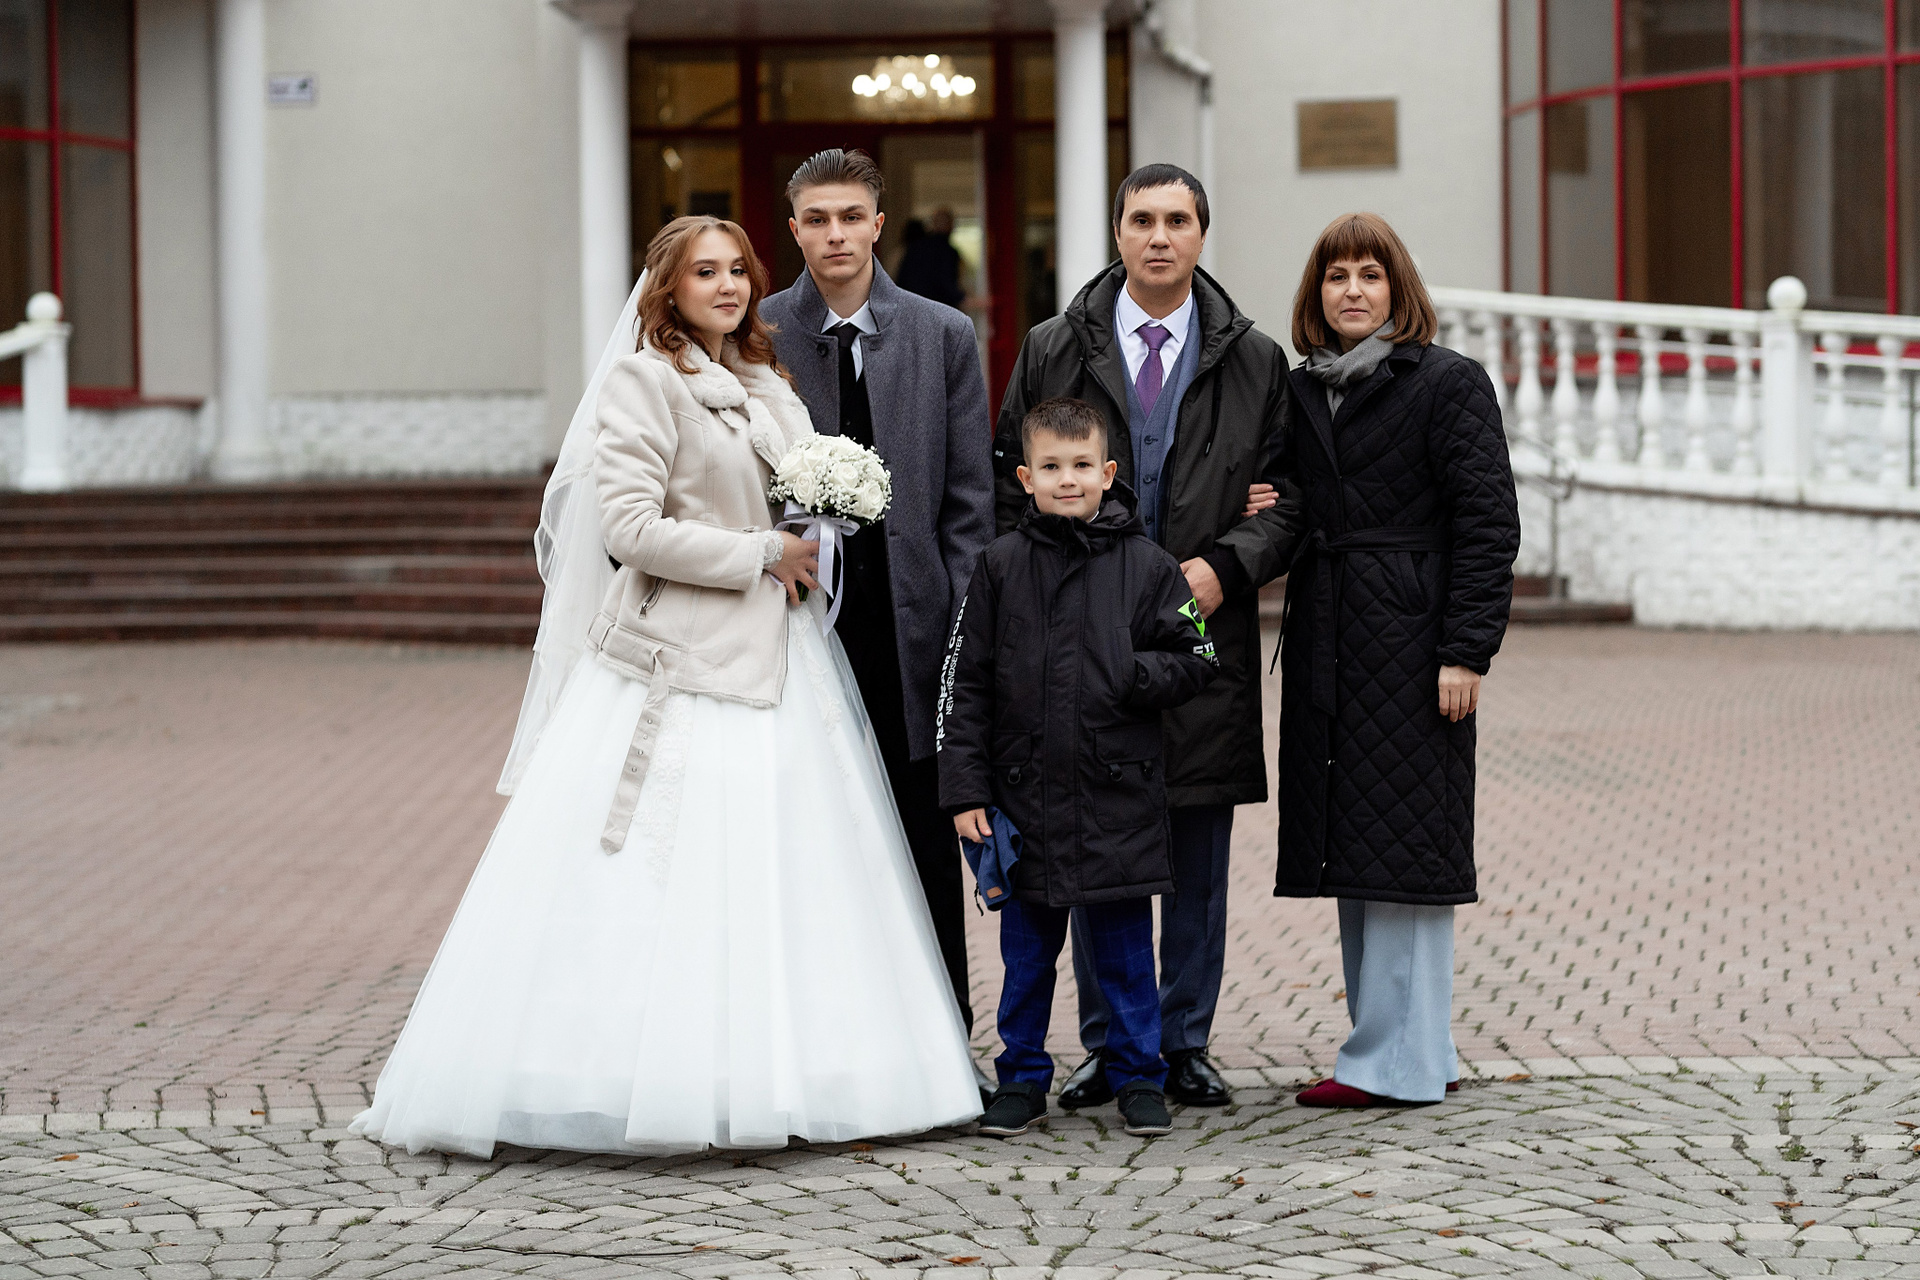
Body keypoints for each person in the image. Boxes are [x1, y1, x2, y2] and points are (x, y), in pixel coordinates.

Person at [348, 216, 981, 1157]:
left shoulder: (769, 382)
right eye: (705, 272)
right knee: (665, 875)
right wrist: (762, 551)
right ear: (668, 290)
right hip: (681, 658)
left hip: (786, 655)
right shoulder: (645, 382)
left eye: (738, 271)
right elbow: (630, 530)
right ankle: (629, 1076)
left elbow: (793, 498)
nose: (727, 286)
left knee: (793, 871)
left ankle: (802, 1076)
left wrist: (831, 512)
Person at [993, 163, 1301, 1110]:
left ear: (1202, 234)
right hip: (1079, 640)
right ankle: (1108, 1047)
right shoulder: (1054, 346)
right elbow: (1010, 477)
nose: (1159, 236)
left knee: (1197, 851)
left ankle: (1183, 1040)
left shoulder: (1256, 360)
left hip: (1202, 636)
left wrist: (1226, 567)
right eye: (1141, 220)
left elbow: (1291, 501)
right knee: (1094, 847)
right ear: (1118, 233)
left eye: (1177, 220)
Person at [1274, 212, 1519, 1108]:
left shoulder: (1448, 383)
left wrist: (1465, 651)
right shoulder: (1306, 390)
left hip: (1414, 644)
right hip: (1332, 640)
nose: (1352, 290)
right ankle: (1412, 1050)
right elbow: (1294, 499)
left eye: (1369, 275)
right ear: (1317, 292)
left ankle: (1392, 1066)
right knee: (1359, 851)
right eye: (1336, 275)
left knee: (1408, 852)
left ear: (1397, 288)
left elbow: (1489, 525)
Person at [762, 150, 994, 1059]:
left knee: (923, 847)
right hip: (797, 626)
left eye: (851, 216)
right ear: (794, 229)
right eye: (817, 219)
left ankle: (942, 1050)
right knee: (811, 840)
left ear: (878, 224)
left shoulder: (943, 334)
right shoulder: (761, 330)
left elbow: (970, 501)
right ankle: (822, 1056)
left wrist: (963, 628)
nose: (836, 235)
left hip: (915, 628)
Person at [939, 397, 1219, 1138]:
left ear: (1109, 472)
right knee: (1026, 958)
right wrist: (965, 789)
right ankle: (1021, 1077)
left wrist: (1133, 672)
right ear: (1026, 478)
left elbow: (1199, 657)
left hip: (1115, 799)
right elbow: (966, 685)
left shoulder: (1151, 568)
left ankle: (1138, 1077)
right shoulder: (998, 567)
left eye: (1083, 466)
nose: (1069, 480)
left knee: (1125, 958)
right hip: (1023, 800)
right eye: (1052, 467)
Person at [895, 207, 967, 310]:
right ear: (951, 226)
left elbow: (902, 280)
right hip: (938, 309)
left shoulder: (915, 248)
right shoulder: (947, 251)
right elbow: (945, 282)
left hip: (911, 307)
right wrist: (962, 298)